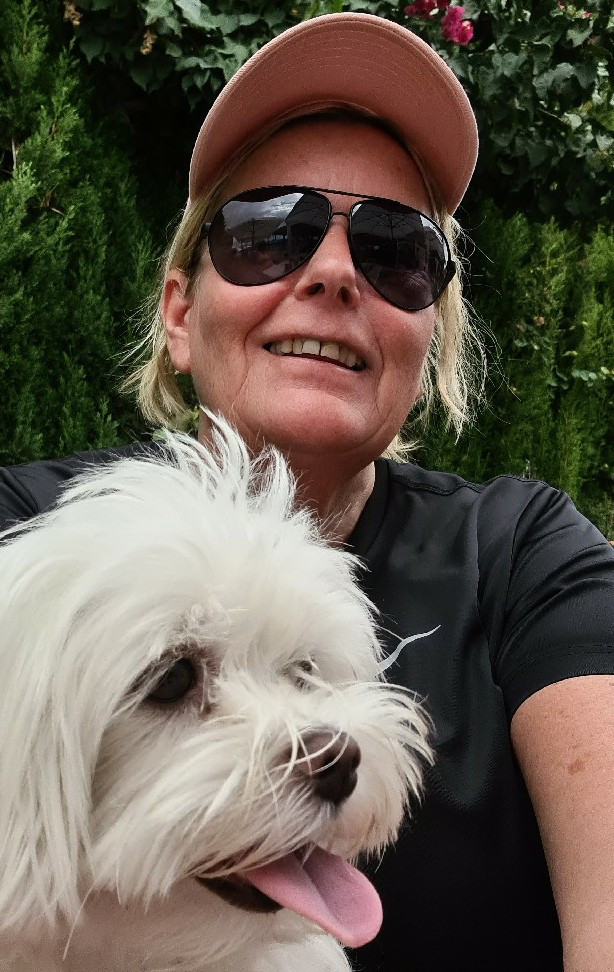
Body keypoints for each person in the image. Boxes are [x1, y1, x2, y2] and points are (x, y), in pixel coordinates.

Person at [1, 12, 614, 971]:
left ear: (430, 337)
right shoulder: (26, 545)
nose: (333, 273)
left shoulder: (527, 554)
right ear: (179, 314)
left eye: (396, 251)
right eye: (268, 233)